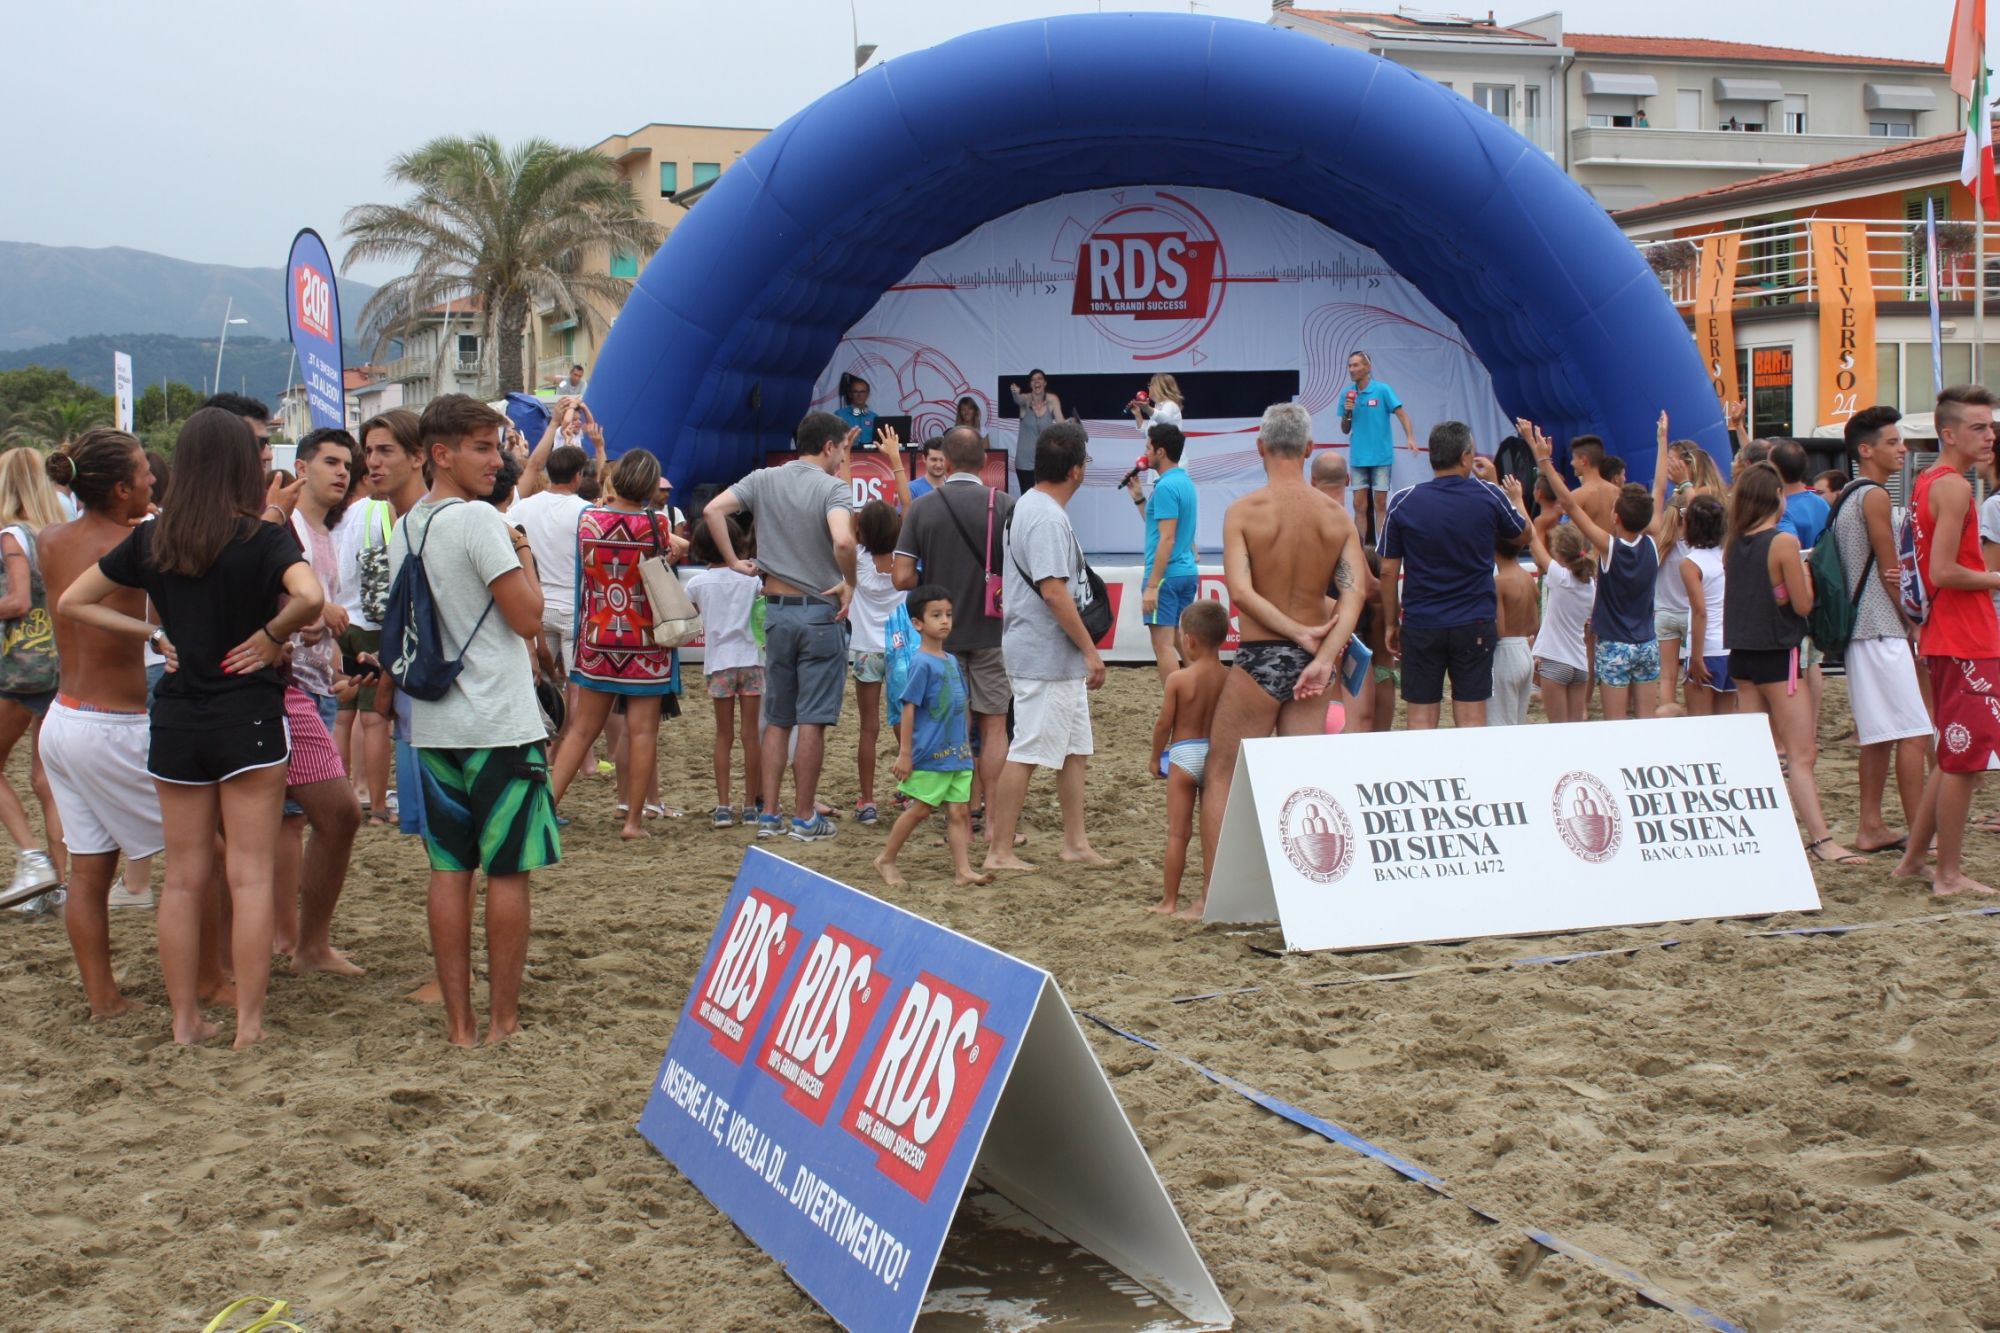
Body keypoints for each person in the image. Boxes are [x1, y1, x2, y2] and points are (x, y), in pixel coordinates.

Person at [63, 407, 325, 1048]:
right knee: (251, 874)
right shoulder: (261, 539)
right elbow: (311, 598)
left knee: (181, 878)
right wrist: (270, 638)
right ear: (242, 464)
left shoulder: (154, 539)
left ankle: (184, 1023)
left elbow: (75, 601)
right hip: (248, 718)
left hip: (177, 717)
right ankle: (248, 1025)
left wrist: (154, 632)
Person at [392, 395, 561, 1044]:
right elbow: (527, 617)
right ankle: (502, 1019)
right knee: (509, 870)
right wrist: (520, 545)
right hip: (498, 720)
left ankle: (459, 1024)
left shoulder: (412, 523)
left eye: (498, 446)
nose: (498, 460)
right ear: (442, 454)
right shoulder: (481, 523)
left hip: (434, 722)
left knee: (448, 869)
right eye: (483, 447)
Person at [1198, 403, 1366, 909]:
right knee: (1300, 779)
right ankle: (1303, 894)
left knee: (1222, 770)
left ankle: (1215, 897)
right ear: (1310, 450)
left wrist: (1298, 635)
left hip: (1262, 655)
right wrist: (1322, 654)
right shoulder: (1335, 515)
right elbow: (1355, 595)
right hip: (1315, 657)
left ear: (1261, 447)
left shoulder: (1244, 512)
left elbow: (1242, 595)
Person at [36, 431, 162, 1013]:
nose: (153, 481)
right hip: (114, 724)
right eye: (143, 474)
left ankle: (103, 997)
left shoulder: (49, 538)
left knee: (89, 870)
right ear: (119, 488)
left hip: (64, 716)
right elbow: (163, 615)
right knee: (207, 854)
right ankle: (211, 975)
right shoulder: (136, 546)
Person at [704, 411, 857, 842]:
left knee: (779, 718)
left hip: (777, 611)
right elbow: (844, 541)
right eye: (842, 450)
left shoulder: (763, 479)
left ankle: (769, 813)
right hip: (819, 611)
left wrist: (734, 562)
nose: (842, 459)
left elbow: (714, 510)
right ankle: (804, 815)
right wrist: (850, 583)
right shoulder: (833, 489)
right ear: (828, 447)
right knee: (812, 720)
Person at [1721, 462, 1861, 868]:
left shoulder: (1736, 542)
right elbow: (1800, 604)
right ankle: (1822, 839)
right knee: (1802, 755)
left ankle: (1759, 836)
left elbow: (1766, 594)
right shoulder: (1781, 541)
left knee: (1755, 753)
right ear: (1775, 497)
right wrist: (1805, 577)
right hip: (1779, 655)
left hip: (1743, 657)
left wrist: (1783, 590)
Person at [985, 421, 1109, 873]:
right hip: (1043, 655)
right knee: (1029, 749)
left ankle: (1075, 841)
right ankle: (999, 850)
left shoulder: (1032, 507)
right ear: (1077, 470)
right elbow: (1055, 592)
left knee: (1075, 748)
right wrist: (1092, 651)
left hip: (1052, 655)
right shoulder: (1045, 515)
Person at [547, 449, 688, 839]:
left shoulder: (588, 519)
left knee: (580, 731)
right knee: (643, 733)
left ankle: (543, 811)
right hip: (644, 643)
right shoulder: (656, 523)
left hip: (598, 636)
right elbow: (674, 551)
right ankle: (633, 821)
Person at [1895, 386, 2000, 896]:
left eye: (1992, 426)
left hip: (1946, 632)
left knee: (1953, 754)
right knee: (1965, 760)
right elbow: (1943, 570)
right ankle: (1948, 873)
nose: (1991, 435)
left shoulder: (1928, 481)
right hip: (1965, 635)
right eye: (1980, 427)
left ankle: (1916, 861)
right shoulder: (1954, 486)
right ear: (1949, 433)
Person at [893, 425, 1014, 838]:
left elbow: (902, 576)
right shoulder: (1005, 505)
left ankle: (959, 817)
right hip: (993, 632)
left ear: (945, 458)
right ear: (984, 460)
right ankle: (996, 821)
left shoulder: (923, 509)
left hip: (942, 639)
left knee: (954, 727)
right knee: (995, 725)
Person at [274, 429, 364, 974]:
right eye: (330, 462)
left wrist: (333, 660)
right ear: (301, 469)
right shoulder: (287, 531)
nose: (341, 473)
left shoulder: (325, 534)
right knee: (302, 819)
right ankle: (295, 939)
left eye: (346, 465)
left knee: (296, 821)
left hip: (313, 684)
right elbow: (281, 607)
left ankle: (297, 938)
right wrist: (312, 620)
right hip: (287, 688)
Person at [1381, 421, 1527, 729]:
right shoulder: (1489, 494)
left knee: (1420, 713)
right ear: (1465, 458)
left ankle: (1425, 777)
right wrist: (1508, 492)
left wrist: (1391, 623)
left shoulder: (1403, 501)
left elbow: (1388, 570)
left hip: (1421, 622)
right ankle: (1471, 776)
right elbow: (1522, 535)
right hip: (1473, 622)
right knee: (1473, 713)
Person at [1530, 415, 1675, 722]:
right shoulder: (1653, 542)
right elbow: (1660, 488)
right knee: (1646, 720)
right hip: (1648, 643)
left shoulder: (1610, 549)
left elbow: (1568, 504)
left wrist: (1544, 458)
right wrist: (1663, 440)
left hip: (1616, 645)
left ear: (1616, 518)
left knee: (1614, 723)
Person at [1838, 407, 1928, 852]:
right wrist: (1913, 623)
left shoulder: (1849, 494)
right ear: (1866, 449)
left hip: (1864, 628)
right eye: (1893, 442)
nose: (1903, 448)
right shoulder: (1872, 496)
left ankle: (1871, 825)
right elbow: (1891, 569)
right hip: (1880, 626)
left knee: (1879, 736)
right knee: (1913, 732)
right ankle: (1921, 836)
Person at [873, 584, 989, 888]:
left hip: (957, 753)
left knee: (960, 811)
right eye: (936, 615)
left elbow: (960, 705)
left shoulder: (950, 660)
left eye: (948, 614)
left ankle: (963, 871)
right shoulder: (921, 662)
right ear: (917, 623)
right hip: (930, 752)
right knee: (920, 809)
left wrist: (965, 744)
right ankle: (886, 859)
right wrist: (905, 753)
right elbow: (908, 708)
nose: (945, 621)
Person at [0, 447, 67, 913]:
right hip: (59, 663)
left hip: (18, 666)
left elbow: (19, 601)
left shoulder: (11, 535)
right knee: (46, 779)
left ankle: (32, 858)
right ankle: (60, 883)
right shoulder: (53, 534)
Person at [1149, 598, 1229, 918]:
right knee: (1212, 831)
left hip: (1183, 754)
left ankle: (1169, 901)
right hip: (1214, 755)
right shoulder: (1228, 677)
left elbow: (1163, 724)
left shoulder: (1179, 679)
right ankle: (1209, 892)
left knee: (1178, 834)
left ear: (1189, 640)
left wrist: (1155, 757)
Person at [686, 516, 764, 826]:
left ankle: (722, 805)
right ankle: (749, 805)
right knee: (750, 735)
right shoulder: (753, 580)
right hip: (751, 659)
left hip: (718, 662)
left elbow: (686, 617)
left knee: (723, 735)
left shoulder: (697, 583)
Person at [508, 444, 591, 698]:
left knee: (537, 683)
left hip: (536, 606)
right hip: (573, 607)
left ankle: (549, 736)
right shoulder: (587, 512)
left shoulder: (522, 508)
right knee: (576, 687)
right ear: (578, 475)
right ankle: (568, 738)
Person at [1126, 422, 1200, 686]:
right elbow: (1159, 528)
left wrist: (1153, 585)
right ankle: (1198, 690)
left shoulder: (1166, 487)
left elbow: (1166, 538)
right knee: (1180, 640)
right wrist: (1138, 498)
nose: (1145, 453)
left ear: (1161, 451)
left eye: (1148, 447)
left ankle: (1175, 699)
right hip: (1185, 572)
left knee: (1163, 646)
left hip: (1166, 576)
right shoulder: (1184, 482)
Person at [848, 499, 907, 825]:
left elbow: (844, 513)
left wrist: (844, 462)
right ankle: (910, 791)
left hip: (867, 650)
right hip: (900, 649)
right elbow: (909, 507)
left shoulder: (856, 560)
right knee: (905, 726)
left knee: (868, 728)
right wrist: (897, 463)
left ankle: (867, 800)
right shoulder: (904, 563)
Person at [1340, 351, 1416, 546]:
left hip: (1381, 457)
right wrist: (1348, 411)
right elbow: (1344, 428)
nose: (1351, 369)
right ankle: (1359, 551)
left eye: (1356, 365)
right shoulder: (1347, 394)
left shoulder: (1382, 390)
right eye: (1350, 365)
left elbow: (1402, 415)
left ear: (1368, 367)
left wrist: (1410, 437)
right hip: (1358, 458)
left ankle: (1384, 551)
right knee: (1359, 505)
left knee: (1381, 504)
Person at [1530, 522, 1596, 723]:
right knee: (1574, 730)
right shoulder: (1590, 585)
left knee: (1557, 729)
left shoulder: (1560, 577)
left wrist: (1518, 501)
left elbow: (1533, 539)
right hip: (1580, 663)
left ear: (1560, 554)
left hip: (1556, 660)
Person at [1678, 495, 1736, 717]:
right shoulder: (1727, 557)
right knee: (1725, 722)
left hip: (1707, 648)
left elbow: (1700, 612)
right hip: (1729, 647)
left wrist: (1696, 657)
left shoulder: (1691, 563)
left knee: (1700, 724)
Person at [1490, 482, 1538, 727]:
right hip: (1524, 650)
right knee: (1518, 721)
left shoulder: (1499, 582)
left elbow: (1498, 629)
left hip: (1504, 653)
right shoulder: (1528, 578)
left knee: (1500, 722)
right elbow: (1535, 623)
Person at [1009, 370, 1063, 498]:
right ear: (1030, 384)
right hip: (1024, 461)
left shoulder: (1052, 399)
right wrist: (1014, 392)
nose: (1037, 381)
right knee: (1028, 498)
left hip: (1045, 461)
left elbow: (1061, 424)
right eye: (1033, 379)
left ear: (1045, 382)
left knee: (1046, 498)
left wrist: (1071, 425)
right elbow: (1018, 399)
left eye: (1039, 378)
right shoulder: (1026, 399)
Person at [1563, 435, 1620, 547]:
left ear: (1584, 460)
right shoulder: (1617, 492)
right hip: (1614, 560)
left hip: (1588, 561)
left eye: (1574, 458)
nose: (1571, 463)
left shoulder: (1577, 495)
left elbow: (1566, 539)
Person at [1127, 373, 1185, 444]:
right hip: (1159, 454)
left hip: (1172, 455)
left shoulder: (1170, 405)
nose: (1149, 388)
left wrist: (1147, 408)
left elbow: (1164, 419)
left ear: (1159, 388)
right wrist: (1137, 414)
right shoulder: (1157, 407)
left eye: (1150, 385)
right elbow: (1148, 435)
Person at [835, 373, 878, 449]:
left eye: (862, 392)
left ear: (867, 394)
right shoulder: (839, 415)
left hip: (870, 456)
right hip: (847, 453)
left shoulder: (874, 417)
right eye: (855, 392)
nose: (859, 395)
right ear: (850, 394)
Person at [907, 437, 949, 503]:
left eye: (942, 460)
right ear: (924, 458)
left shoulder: (954, 487)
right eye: (934, 459)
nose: (938, 465)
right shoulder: (911, 488)